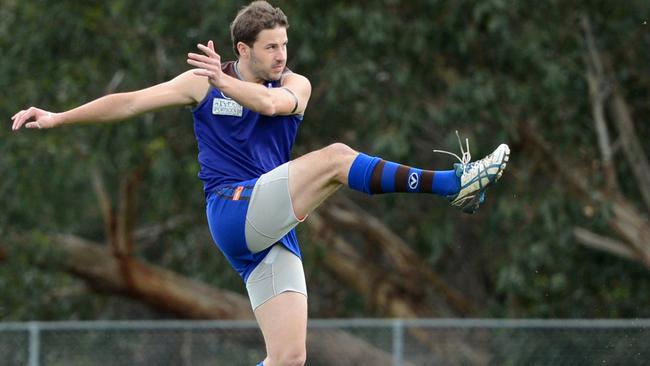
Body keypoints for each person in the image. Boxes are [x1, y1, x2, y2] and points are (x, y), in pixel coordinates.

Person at [10, 1, 509, 365]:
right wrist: (57, 118)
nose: (281, 55)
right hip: (232, 211)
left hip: (269, 230)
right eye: (271, 47)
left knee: (289, 357)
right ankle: (451, 183)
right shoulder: (203, 83)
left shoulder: (295, 84)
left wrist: (228, 84)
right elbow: (131, 102)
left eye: (285, 45)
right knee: (337, 158)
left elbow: (272, 105)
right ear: (242, 48)